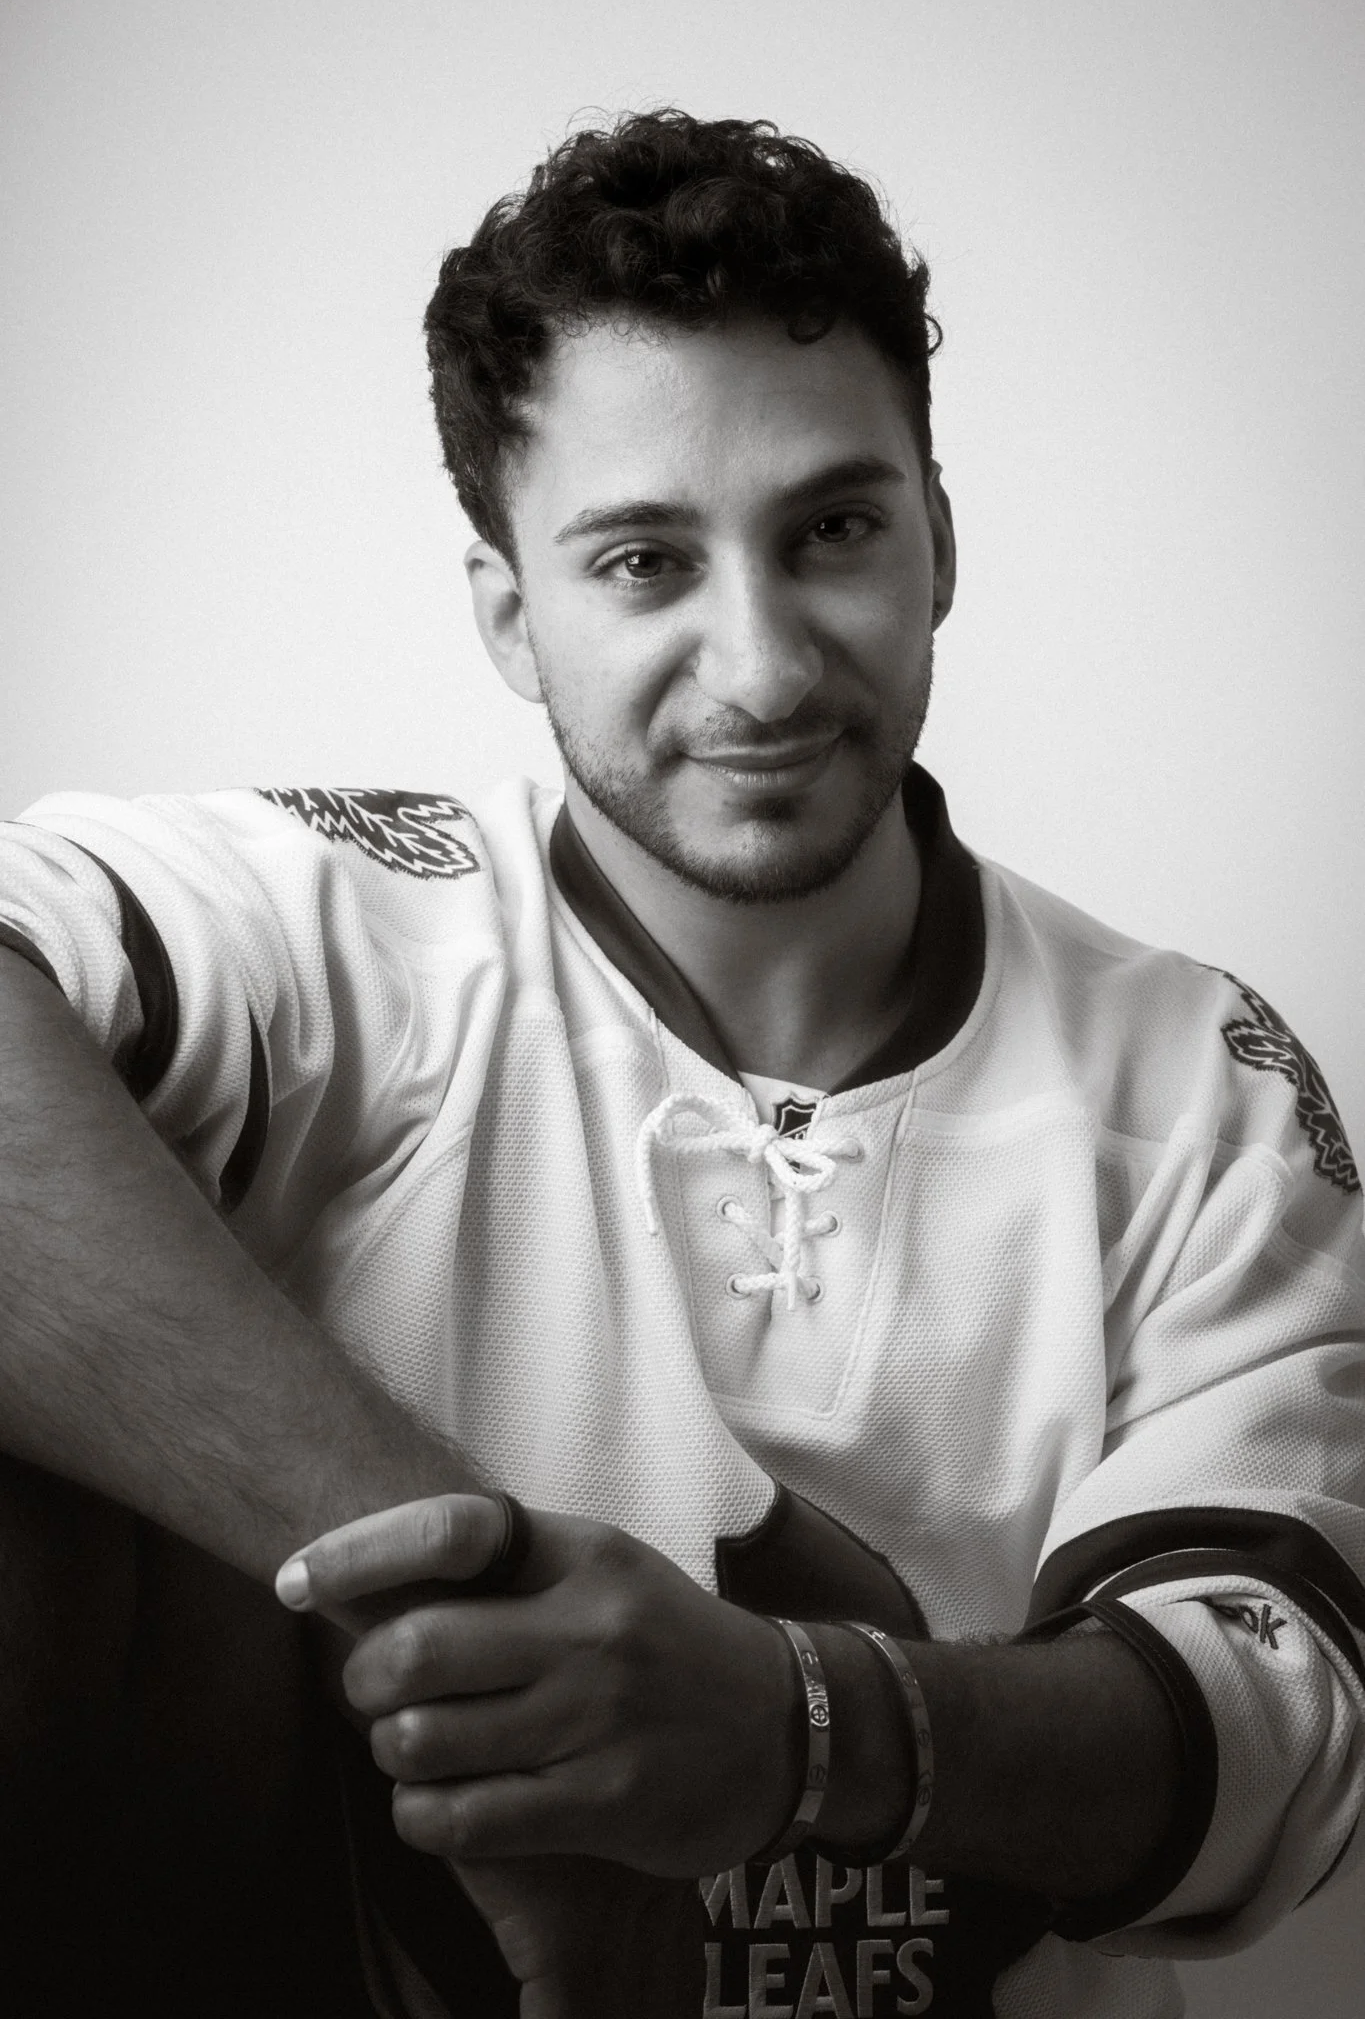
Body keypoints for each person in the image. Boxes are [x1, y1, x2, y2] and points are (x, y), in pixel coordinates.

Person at [1, 109, 1363, 2019]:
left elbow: (1284, 1734)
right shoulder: (333, 931)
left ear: (940, 539)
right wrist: (469, 1616)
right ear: (508, 611)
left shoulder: (1196, 1076)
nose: (765, 668)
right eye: (644, 561)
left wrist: (797, 1728)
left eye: (831, 532)